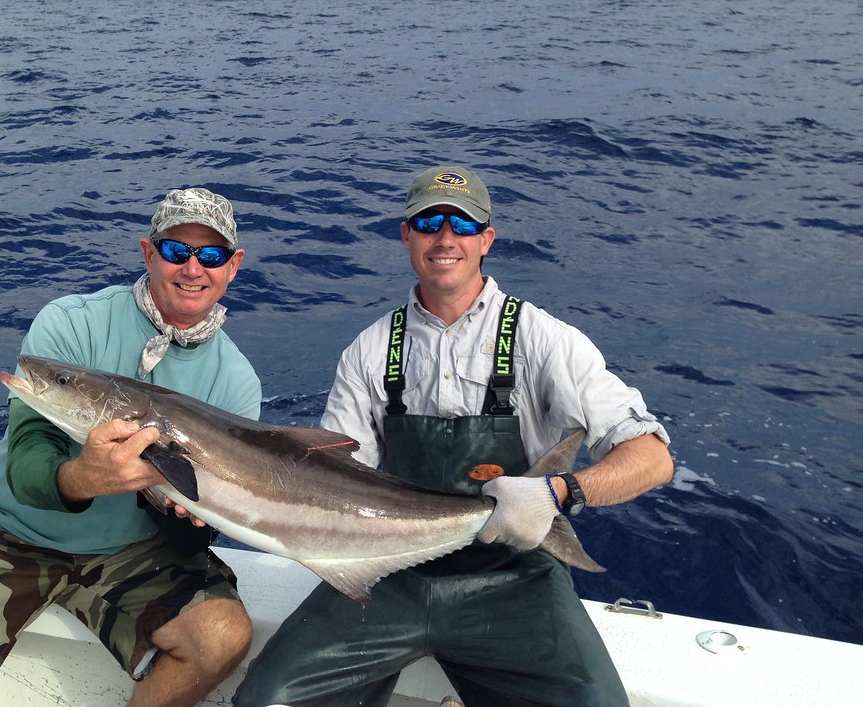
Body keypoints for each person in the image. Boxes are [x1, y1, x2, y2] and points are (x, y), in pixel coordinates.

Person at [233, 165, 674, 707]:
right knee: (267, 698)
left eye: (462, 225)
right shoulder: (369, 351)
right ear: (406, 236)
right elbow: (335, 481)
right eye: (428, 222)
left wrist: (558, 493)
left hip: (513, 576)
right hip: (390, 573)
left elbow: (651, 457)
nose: (445, 238)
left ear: (486, 239)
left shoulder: (544, 338)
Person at [0, 188, 261, 707]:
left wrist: (191, 516)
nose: (193, 268)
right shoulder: (71, 323)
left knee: (220, 637)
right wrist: (85, 478)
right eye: (177, 251)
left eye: (211, 255)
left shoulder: (237, 382)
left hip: (132, 551)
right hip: (9, 533)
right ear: (149, 254)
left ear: (233, 266)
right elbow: (28, 456)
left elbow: (191, 536)